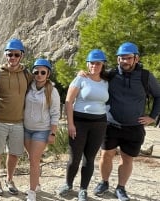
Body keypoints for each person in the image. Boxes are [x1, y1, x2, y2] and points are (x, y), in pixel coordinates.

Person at [93, 42, 160, 201]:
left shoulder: (145, 76)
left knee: (127, 158)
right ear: (117, 59)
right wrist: (83, 73)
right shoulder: (110, 74)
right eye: (121, 58)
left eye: (128, 58)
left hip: (134, 127)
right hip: (111, 125)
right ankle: (104, 182)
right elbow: (93, 77)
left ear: (136, 58)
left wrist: (153, 116)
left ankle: (121, 188)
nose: (125, 61)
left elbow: (158, 96)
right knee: (106, 155)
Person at [57, 49, 109, 201]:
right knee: (75, 158)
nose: (94, 66)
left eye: (98, 63)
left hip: (99, 124)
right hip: (79, 123)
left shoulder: (107, 81)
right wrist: (70, 124)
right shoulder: (80, 79)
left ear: (103, 65)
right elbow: (68, 102)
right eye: (92, 63)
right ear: (87, 64)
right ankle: (68, 184)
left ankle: (83, 189)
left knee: (90, 158)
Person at [0, 38, 32, 196]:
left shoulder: (27, 74)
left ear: (21, 55)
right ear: (5, 55)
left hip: (18, 123)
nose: (12, 58)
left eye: (16, 54)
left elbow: (41, 84)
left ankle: (9, 179)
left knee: (14, 153)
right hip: (0, 121)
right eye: (9, 55)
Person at [24, 58, 61, 201]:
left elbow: (55, 114)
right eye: (36, 72)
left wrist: (52, 133)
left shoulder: (52, 91)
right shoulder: (28, 87)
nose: (39, 74)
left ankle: (32, 192)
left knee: (33, 160)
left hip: (42, 130)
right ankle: (37, 183)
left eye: (43, 72)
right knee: (32, 159)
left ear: (48, 74)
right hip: (27, 129)